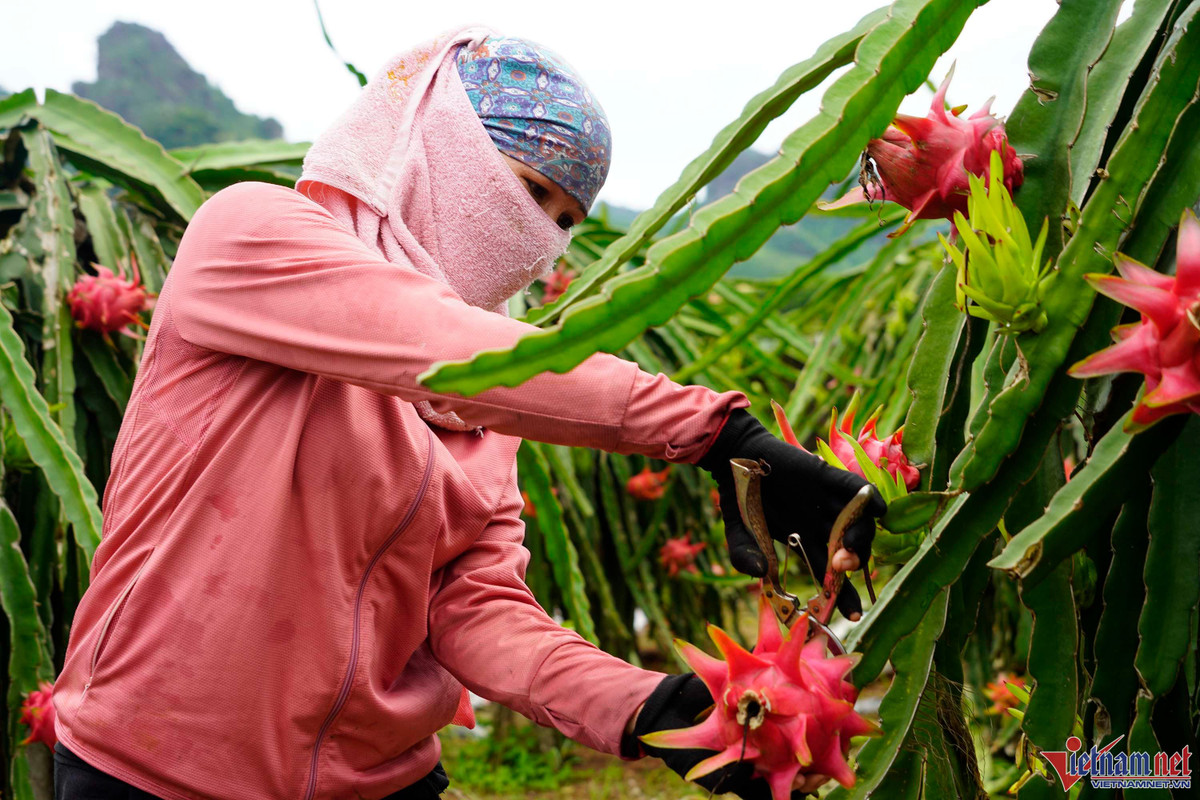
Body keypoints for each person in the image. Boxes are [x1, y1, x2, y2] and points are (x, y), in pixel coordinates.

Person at [51, 26, 885, 800]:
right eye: (530, 191)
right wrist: (716, 433)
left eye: (566, 221)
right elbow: (437, 346)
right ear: (443, 145)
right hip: (150, 772)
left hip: (381, 783)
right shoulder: (250, 237)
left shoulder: (490, 417)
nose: (541, 239)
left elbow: (474, 610)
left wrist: (646, 709)